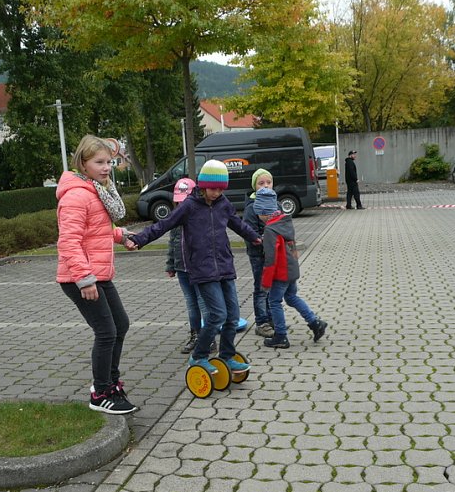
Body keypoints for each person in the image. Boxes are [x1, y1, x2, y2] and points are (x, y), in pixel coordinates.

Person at [125, 159, 261, 375]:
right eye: (212, 188)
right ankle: (198, 356)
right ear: (203, 185)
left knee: (233, 316)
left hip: (225, 266)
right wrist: (140, 239)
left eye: (220, 189)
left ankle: (226, 355)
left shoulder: (223, 204)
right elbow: (164, 224)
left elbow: (238, 223)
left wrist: (256, 238)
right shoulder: (189, 206)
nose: (216, 193)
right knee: (217, 315)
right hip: (202, 269)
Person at [56, 135, 137, 414]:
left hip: (99, 273)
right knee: (106, 332)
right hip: (80, 277)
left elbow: (96, 231)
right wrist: (85, 279)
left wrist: (120, 235)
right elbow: (69, 241)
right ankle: (101, 393)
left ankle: (111, 383)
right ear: (83, 163)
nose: (106, 167)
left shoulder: (96, 190)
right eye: (99, 162)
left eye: (109, 162)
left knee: (121, 325)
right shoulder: (77, 194)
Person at [255, 188, 328, 348]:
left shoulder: (269, 230)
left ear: (265, 212)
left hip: (280, 273)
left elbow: (270, 259)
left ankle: (280, 335)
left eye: (259, 213)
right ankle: (315, 323)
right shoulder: (285, 222)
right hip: (291, 270)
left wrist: (266, 282)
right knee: (291, 297)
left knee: (274, 301)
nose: (259, 217)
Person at [167, 178, 214, 354]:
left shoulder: (202, 217)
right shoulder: (176, 218)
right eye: (178, 202)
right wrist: (170, 264)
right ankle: (195, 335)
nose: (181, 206)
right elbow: (172, 243)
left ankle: (208, 338)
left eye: (185, 201)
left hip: (199, 269)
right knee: (191, 304)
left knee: (204, 304)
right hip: (182, 269)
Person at [243, 168, 276, 338]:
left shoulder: (274, 203)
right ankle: (261, 321)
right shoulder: (251, 207)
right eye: (261, 183)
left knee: (272, 288)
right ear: (255, 186)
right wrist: (260, 239)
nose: (265, 186)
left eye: (268, 182)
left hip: (273, 254)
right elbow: (248, 231)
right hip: (258, 254)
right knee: (261, 288)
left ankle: (272, 318)